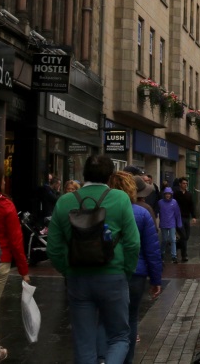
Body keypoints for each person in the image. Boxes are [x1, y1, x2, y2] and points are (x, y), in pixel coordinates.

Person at [47, 155, 140, 364]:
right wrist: (126, 271)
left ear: (83, 174)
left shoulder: (64, 201)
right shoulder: (120, 198)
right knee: (119, 337)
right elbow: (133, 243)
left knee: (83, 342)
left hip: (78, 278)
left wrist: (67, 270)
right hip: (113, 276)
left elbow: (52, 248)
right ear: (109, 176)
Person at [101, 173, 161, 364]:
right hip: (136, 273)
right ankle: (126, 359)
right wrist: (156, 279)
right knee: (131, 318)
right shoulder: (142, 212)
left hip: (108, 271)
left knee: (106, 317)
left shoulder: (102, 209)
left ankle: (105, 356)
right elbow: (152, 249)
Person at [0, 165, 30, 364]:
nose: (4, 181)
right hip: (0, 261)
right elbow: (16, 241)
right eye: (2, 178)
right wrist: (24, 270)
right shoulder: (6, 205)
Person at [156, 187, 181, 264]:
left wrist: (179, 223)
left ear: (171, 194)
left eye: (169, 194)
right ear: (164, 194)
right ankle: (162, 253)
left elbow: (177, 213)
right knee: (164, 240)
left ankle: (174, 256)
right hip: (163, 223)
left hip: (172, 223)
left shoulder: (174, 202)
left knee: (173, 240)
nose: (167, 195)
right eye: (166, 194)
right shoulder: (160, 202)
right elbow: (157, 212)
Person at [173, 177, 195, 262]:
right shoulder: (176, 194)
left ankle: (177, 245)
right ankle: (184, 255)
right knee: (183, 236)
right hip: (179, 217)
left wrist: (193, 216)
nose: (185, 185)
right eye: (183, 183)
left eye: (186, 183)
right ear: (180, 184)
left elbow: (191, 205)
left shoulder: (189, 194)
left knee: (186, 236)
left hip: (186, 217)